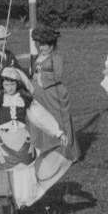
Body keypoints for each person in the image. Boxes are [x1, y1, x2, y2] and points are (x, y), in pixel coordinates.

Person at [0, 65, 71, 214]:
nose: (9, 87)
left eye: (12, 84)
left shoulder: (25, 100)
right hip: (4, 147)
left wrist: (58, 132)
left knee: (20, 186)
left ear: (18, 84)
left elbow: (41, 117)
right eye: (6, 84)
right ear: (2, 84)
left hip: (22, 145)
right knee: (4, 187)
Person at [28, 26, 79, 162]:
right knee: (42, 120)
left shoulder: (57, 57)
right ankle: (48, 150)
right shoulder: (39, 56)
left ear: (52, 45)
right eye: (40, 45)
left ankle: (67, 154)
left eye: (45, 45)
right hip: (39, 95)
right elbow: (34, 72)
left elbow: (57, 76)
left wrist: (40, 77)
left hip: (53, 94)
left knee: (59, 121)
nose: (42, 48)